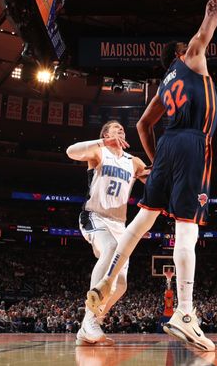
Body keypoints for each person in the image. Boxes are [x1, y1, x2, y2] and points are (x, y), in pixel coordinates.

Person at [85, 0, 217, 352]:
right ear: (183, 52)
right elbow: (213, 10)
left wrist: (155, 160)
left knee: (142, 221)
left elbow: (144, 125)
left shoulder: (164, 86)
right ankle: (184, 311)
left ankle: (107, 279)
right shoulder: (194, 59)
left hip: (166, 147)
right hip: (193, 144)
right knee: (186, 229)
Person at [65, 119, 150, 345]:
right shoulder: (99, 152)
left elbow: (154, 180)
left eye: (122, 129)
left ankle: (89, 322)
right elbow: (70, 151)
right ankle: (91, 321)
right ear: (106, 134)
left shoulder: (134, 161)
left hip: (120, 225)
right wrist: (103, 141)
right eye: (115, 128)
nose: (121, 130)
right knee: (111, 248)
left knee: (120, 284)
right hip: (95, 215)